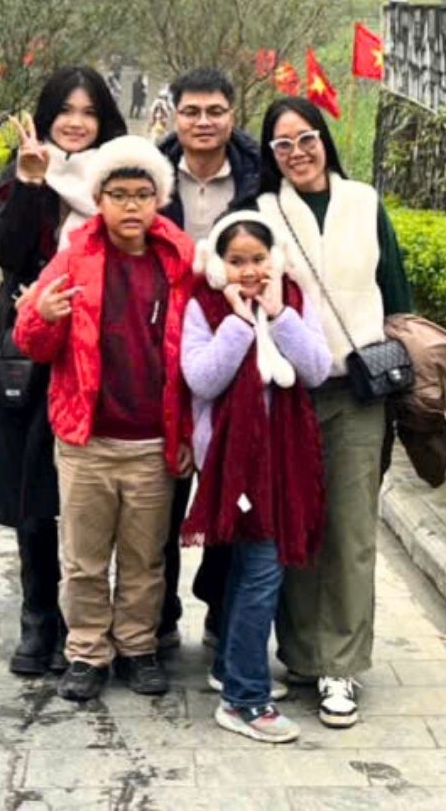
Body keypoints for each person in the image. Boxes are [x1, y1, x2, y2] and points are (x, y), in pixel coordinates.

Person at [0, 67, 128, 677]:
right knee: (34, 490)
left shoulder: (120, 176)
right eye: (64, 111)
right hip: (30, 350)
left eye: (88, 112)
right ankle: (38, 617)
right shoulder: (30, 166)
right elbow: (4, 251)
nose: (75, 123)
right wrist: (30, 182)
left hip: (100, 353)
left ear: (104, 120)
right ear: (47, 115)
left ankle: (111, 621)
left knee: (104, 492)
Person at [13, 135, 195, 703]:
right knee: (85, 560)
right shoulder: (74, 257)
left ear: (160, 199)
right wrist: (40, 316)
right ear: (100, 199)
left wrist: (186, 434)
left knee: (145, 560)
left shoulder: (182, 260)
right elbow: (32, 343)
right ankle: (87, 652)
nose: (132, 206)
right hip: (87, 441)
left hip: (152, 442)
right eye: (119, 194)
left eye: (144, 194)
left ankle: (137, 648)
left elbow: (197, 353)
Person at [254, 97, 413, 729]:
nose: (297, 152)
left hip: (356, 390)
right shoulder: (263, 212)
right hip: (288, 393)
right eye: (282, 145)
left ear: (326, 138)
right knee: (297, 528)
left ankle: (341, 664)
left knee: (350, 530)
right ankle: (300, 654)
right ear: (270, 156)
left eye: (306, 138)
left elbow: (396, 294)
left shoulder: (364, 203)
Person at [182, 212, 330, 744]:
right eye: (236, 261)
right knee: (261, 572)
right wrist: (240, 324)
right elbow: (200, 377)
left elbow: (315, 368)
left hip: (285, 460)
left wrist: (278, 315)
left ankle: (231, 668)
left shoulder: (292, 297)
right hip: (233, 465)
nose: (249, 271)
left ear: (276, 259)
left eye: (258, 259)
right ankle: (245, 698)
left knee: (251, 570)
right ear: (217, 264)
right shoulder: (203, 305)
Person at [156, 68, 265, 649]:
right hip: (166, 349)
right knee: (165, 495)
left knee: (233, 490)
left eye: (215, 110)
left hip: (239, 347)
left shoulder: (257, 177)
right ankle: (160, 616)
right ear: (175, 115)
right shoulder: (150, 178)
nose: (204, 122)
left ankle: (222, 609)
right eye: (192, 111)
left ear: (232, 112)